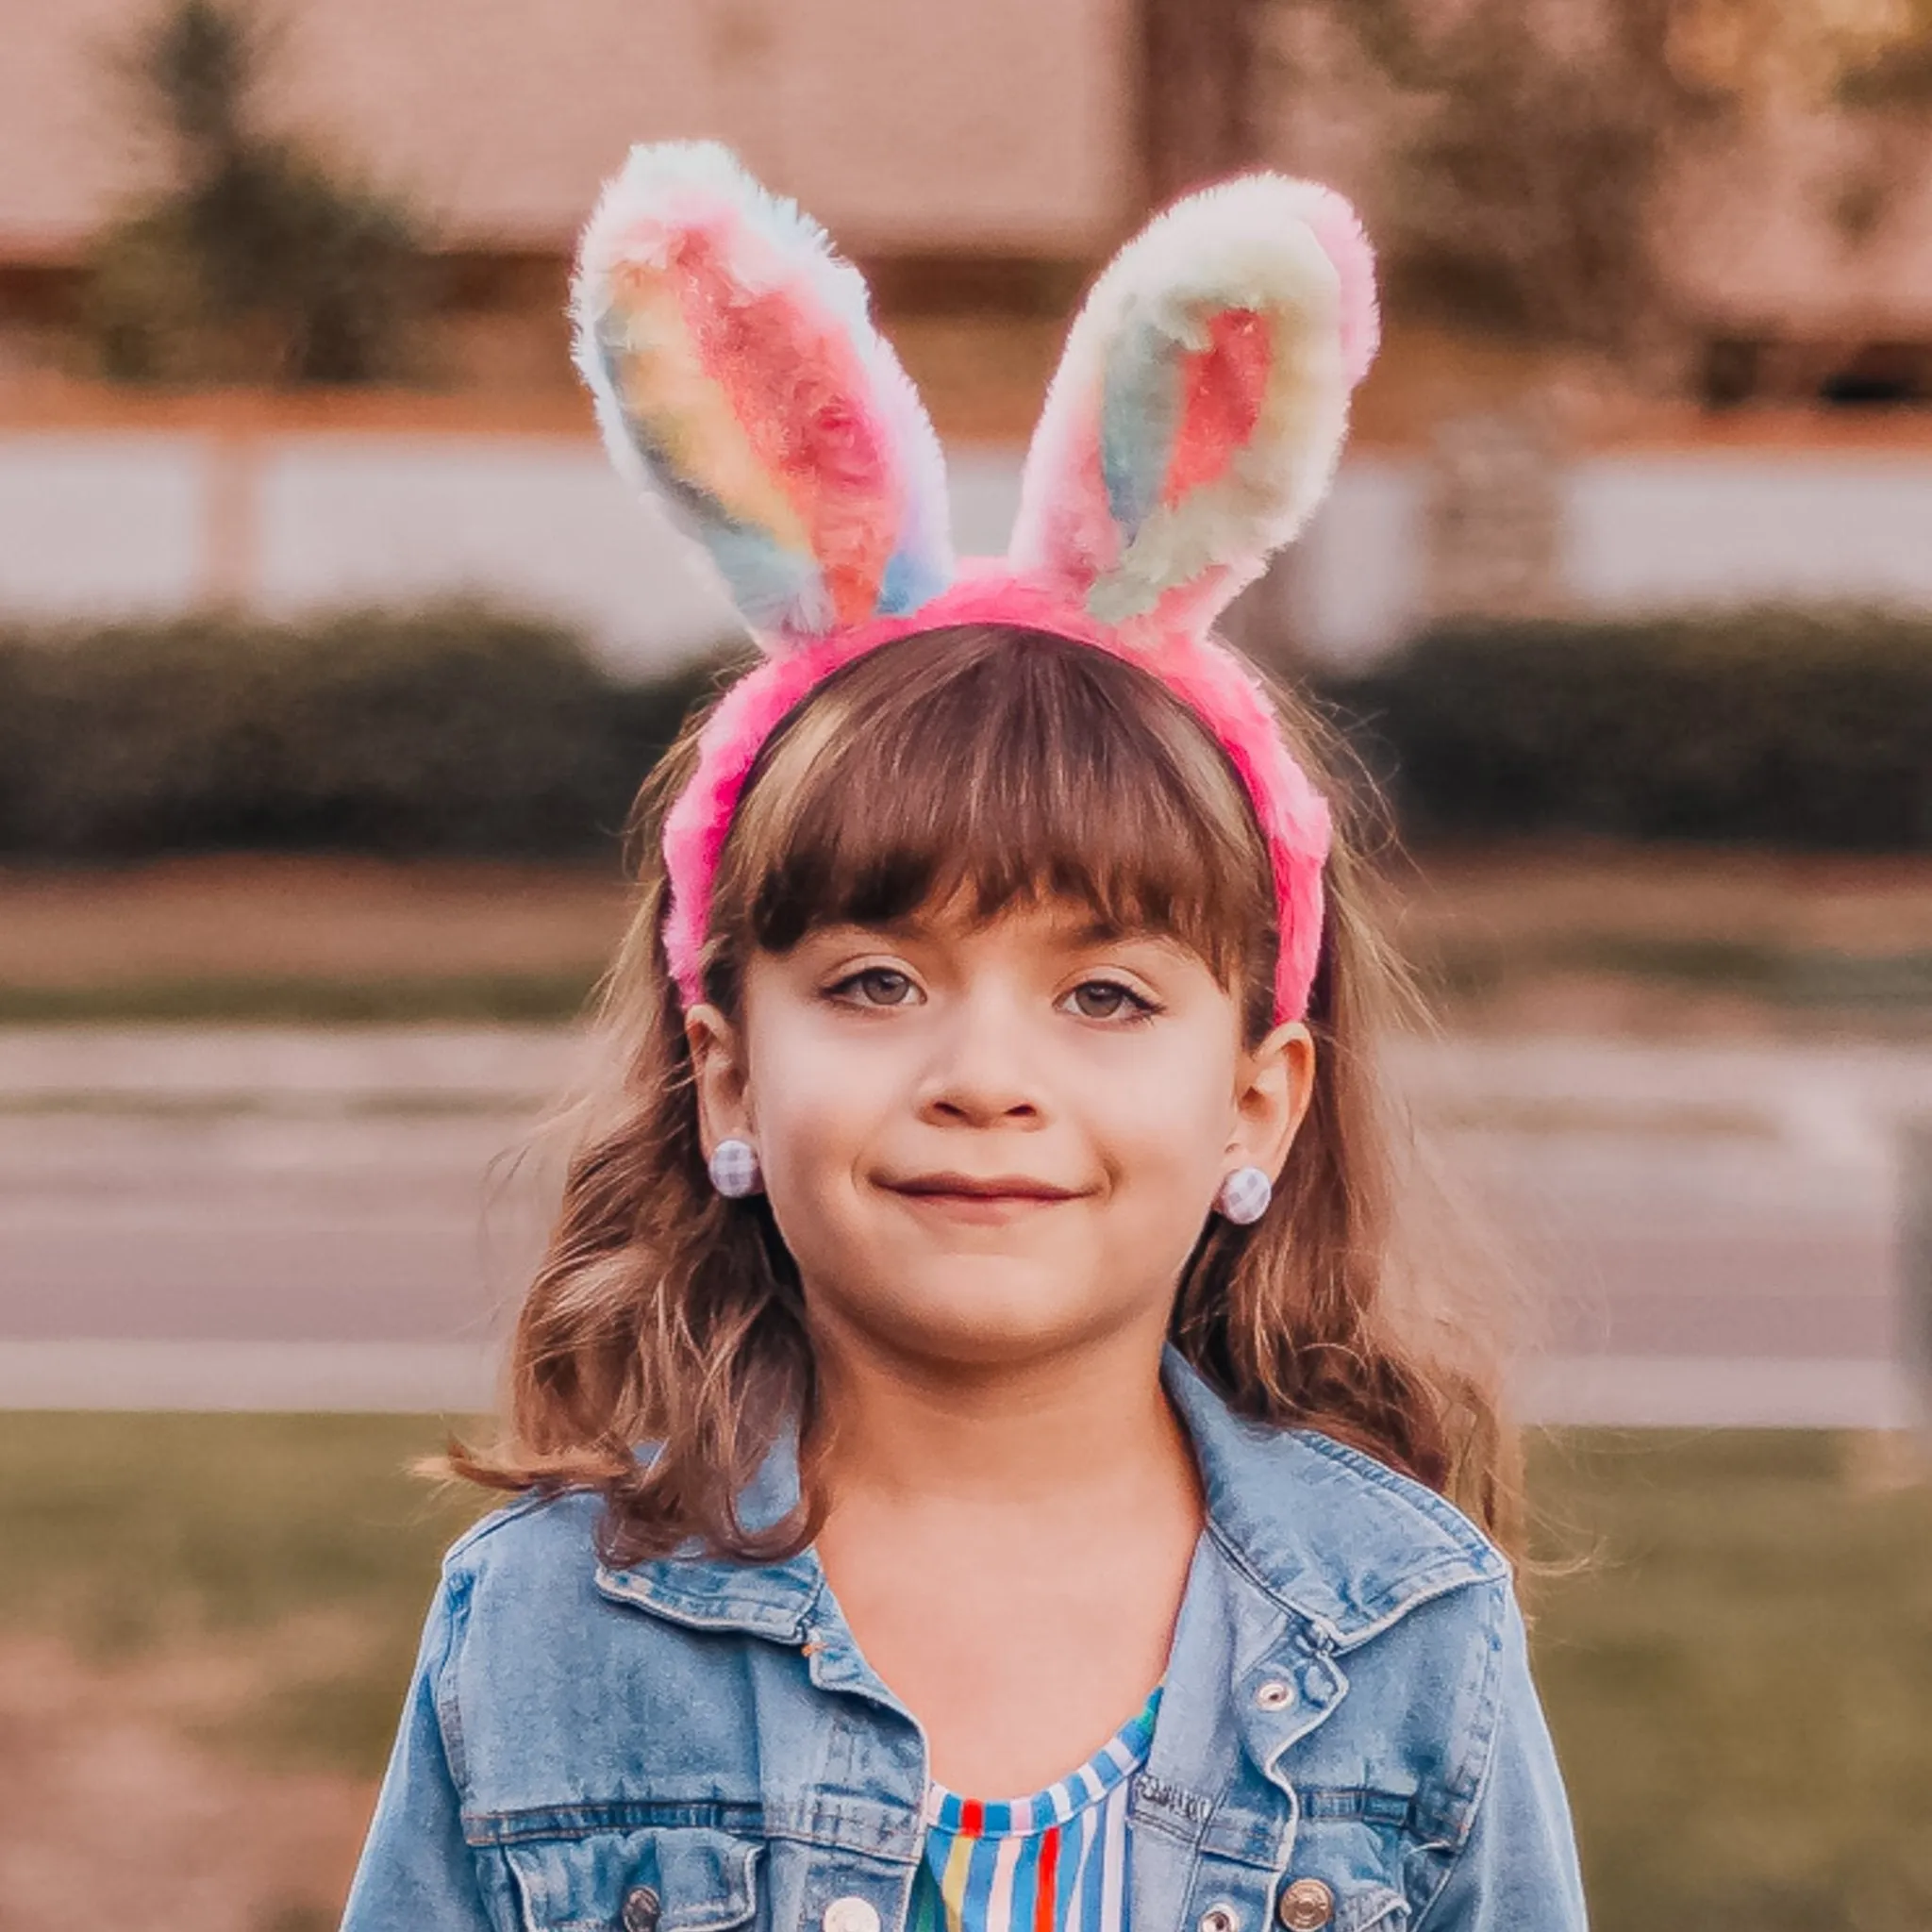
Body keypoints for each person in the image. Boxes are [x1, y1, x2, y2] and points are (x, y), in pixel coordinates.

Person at [340, 142, 1588, 1932]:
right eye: (874, 982)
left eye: (1103, 995)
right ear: (724, 1078)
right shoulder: (543, 1636)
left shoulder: (1412, 1636)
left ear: (1259, 1102)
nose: (986, 1075)